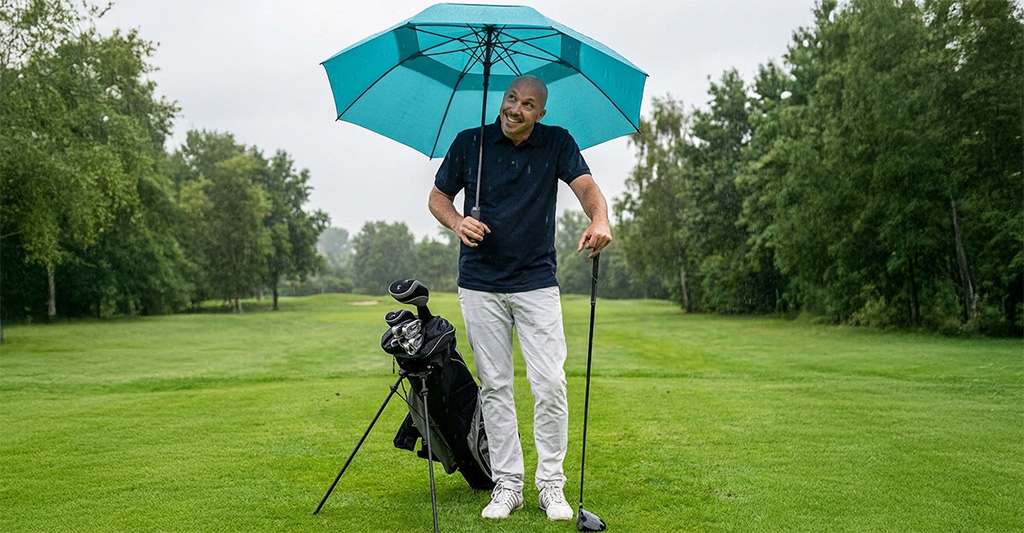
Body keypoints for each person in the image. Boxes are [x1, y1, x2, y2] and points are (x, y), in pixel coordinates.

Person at [428, 74, 612, 521]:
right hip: (480, 283)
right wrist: (456, 222)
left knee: (550, 382)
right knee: (495, 386)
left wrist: (600, 218)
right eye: (511, 98)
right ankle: (507, 483)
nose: (516, 108)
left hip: (536, 282)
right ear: (502, 99)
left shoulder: (557, 142)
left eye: (528, 104)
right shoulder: (469, 142)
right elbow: (438, 197)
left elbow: (586, 187)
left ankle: (551, 485)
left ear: (540, 113)